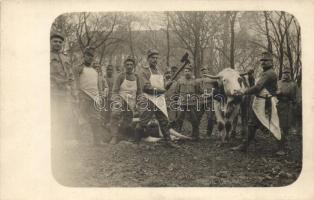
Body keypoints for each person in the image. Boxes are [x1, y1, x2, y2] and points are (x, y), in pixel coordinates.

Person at [232, 52, 282, 155]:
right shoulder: (264, 73)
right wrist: (249, 78)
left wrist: (243, 91)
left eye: (266, 60)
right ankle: (244, 146)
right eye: (262, 61)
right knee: (252, 124)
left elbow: (258, 87)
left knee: (274, 124)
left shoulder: (269, 73)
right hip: (260, 102)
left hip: (266, 103)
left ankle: (281, 148)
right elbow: (257, 85)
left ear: (271, 62)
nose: (263, 62)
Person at [136, 49, 178, 147]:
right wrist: (161, 90)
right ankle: (136, 142)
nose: (155, 60)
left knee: (164, 121)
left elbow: (162, 86)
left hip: (159, 100)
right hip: (148, 99)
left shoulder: (159, 71)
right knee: (143, 122)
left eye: (156, 58)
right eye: (152, 58)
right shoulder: (144, 71)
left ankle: (168, 142)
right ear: (148, 59)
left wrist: (168, 84)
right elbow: (146, 87)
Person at [75, 46, 109, 146]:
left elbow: (98, 85)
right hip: (83, 96)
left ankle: (97, 141)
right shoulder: (79, 68)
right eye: (88, 55)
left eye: (92, 56)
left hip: (95, 97)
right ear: (84, 56)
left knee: (96, 119)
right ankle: (80, 141)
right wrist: (77, 95)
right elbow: (75, 83)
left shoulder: (95, 71)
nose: (90, 57)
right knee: (81, 118)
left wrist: (99, 95)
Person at [50, 29, 78, 145]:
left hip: (65, 92)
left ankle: (61, 142)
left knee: (65, 116)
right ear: (50, 42)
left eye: (60, 42)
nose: (57, 44)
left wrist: (74, 93)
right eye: (55, 41)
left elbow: (71, 76)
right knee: (52, 117)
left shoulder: (65, 58)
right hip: (52, 92)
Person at [109, 56, 142, 144]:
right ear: (124, 65)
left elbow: (139, 91)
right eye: (127, 64)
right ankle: (114, 136)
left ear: (134, 66)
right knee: (115, 114)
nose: (129, 66)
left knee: (128, 120)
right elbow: (115, 91)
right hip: (121, 98)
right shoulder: (120, 76)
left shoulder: (137, 77)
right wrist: (116, 101)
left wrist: (139, 102)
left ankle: (122, 135)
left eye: (131, 64)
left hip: (131, 101)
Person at [174, 65, 200, 140]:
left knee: (194, 119)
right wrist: (177, 101)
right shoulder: (180, 81)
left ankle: (195, 135)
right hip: (182, 103)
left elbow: (198, 91)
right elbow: (176, 91)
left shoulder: (195, 81)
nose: (187, 73)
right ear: (183, 72)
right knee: (179, 119)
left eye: (188, 71)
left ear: (191, 72)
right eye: (185, 71)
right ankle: (177, 135)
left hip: (191, 104)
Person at [276, 67, 297, 155]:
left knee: (285, 127)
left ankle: (283, 148)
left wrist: (283, 93)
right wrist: (277, 93)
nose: (286, 74)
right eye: (284, 73)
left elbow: (294, 97)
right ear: (282, 74)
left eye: (288, 73)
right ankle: (280, 146)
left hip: (287, 107)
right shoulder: (278, 83)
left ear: (290, 74)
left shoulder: (293, 84)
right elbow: (273, 92)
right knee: (278, 126)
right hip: (277, 105)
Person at [196, 66, 216, 137]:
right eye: (202, 71)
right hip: (200, 101)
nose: (204, 72)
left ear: (208, 71)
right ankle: (196, 132)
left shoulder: (213, 80)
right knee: (197, 116)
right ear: (200, 73)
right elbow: (195, 91)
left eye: (205, 70)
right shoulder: (197, 81)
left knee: (210, 117)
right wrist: (199, 96)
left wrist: (211, 94)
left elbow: (216, 89)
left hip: (210, 101)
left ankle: (208, 133)